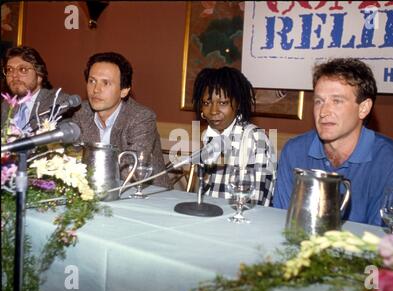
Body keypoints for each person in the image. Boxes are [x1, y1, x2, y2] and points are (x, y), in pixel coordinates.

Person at [273, 57, 393, 228]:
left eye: (337, 101)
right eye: (319, 101)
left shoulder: (392, 163)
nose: (324, 112)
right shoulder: (295, 152)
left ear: (363, 108)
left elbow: (387, 242)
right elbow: (282, 222)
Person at [72, 52, 169, 187]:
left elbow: (130, 169)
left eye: (105, 83)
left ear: (124, 90)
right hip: (93, 191)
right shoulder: (80, 113)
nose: (96, 89)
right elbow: (71, 157)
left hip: (144, 195)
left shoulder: (141, 117)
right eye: (92, 81)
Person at [192, 66, 276, 206]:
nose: (213, 111)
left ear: (238, 104)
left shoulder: (255, 139)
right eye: (207, 103)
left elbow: (257, 203)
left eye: (223, 103)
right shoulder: (208, 136)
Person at [1, 46, 71, 132]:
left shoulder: (58, 103)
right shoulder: (6, 105)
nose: (14, 75)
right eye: (9, 69)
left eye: (23, 69)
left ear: (39, 76)